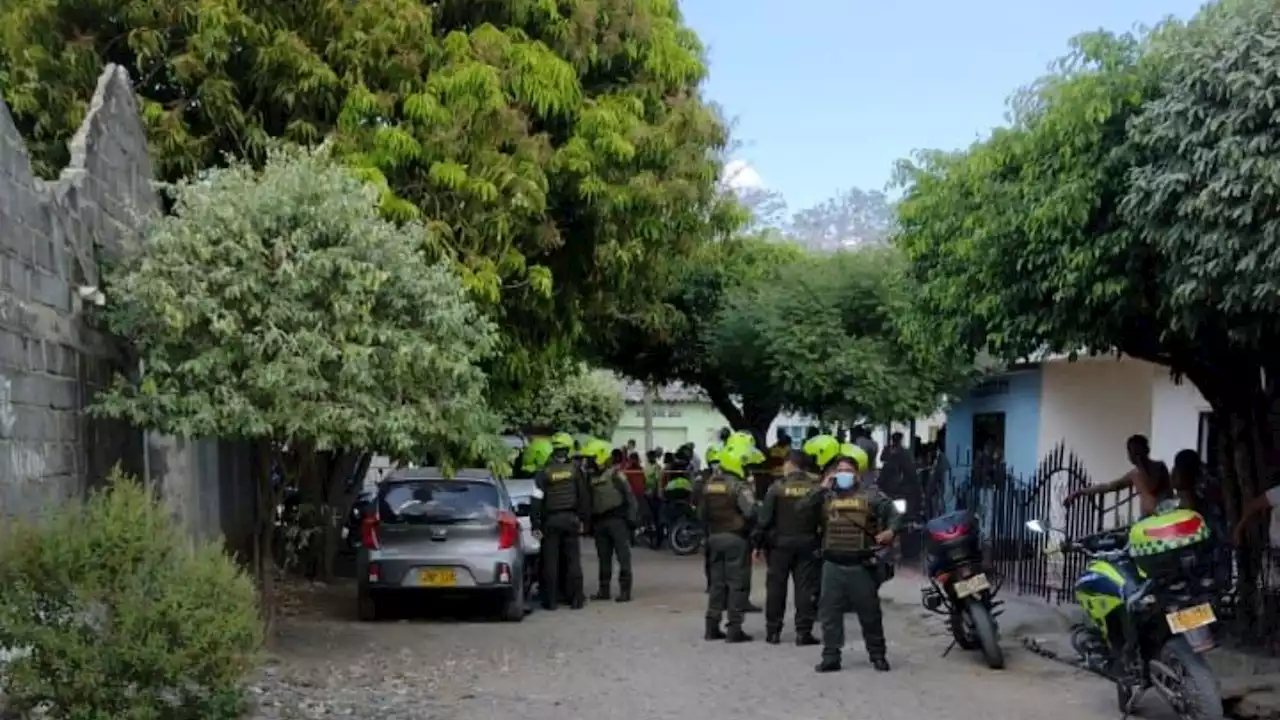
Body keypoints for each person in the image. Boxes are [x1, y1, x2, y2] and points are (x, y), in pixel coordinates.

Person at [797, 435, 901, 672]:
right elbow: (801, 511)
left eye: (847, 470)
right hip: (831, 565)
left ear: (857, 474)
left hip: (861, 565)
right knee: (829, 614)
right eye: (839, 470)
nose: (843, 474)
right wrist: (821, 488)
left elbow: (895, 513)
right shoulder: (826, 497)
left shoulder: (871, 496)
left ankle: (877, 655)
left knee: (870, 614)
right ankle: (831, 657)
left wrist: (890, 532)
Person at [753, 447, 822, 646]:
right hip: (807, 544)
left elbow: (764, 519)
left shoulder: (776, 488)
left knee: (776, 588)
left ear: (791, 464)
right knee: (804, 588)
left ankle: (773, 632)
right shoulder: (814, 488)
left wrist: (757, 544)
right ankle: (803, 633)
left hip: (779, 546)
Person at [700, 447, 757, 642]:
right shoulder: (738, 486)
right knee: (736, 584)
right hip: (735, 538)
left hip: (714, 537)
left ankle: (711, 626)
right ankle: (734, 628)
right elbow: (750, 512)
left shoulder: (709, 485)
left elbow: (701, 514)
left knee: (717, 584)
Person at [531, 432, 590, 611]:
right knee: (573, 561)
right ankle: (577, 599)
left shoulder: (543, 473)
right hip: (571, 520)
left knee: (550, 562)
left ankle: (550, 601)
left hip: (551, 522)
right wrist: (583, 520)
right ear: (567, 449)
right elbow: (583, 497)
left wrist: (536, 524)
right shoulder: (575, 471)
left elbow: (536, 500)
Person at [581, 439, 638, 602]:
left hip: (617, 520)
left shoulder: (615, 475)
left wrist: (632, 520)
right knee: (603, 558)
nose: (588, 462)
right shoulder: (590, 477)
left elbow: (630, 498)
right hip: (600, 522)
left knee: (623, 557)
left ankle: (625, 591)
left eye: (591, 458)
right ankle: (604, 590)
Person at [1065, 434, 1171, 517]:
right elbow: (1108, 486)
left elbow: (1151, 486)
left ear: (1146, 450)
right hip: (1147, 519)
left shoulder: (1159, 467)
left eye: (1136, 451)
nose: (1132, 455)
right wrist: (1080, 492)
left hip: (1165, 515)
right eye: (1131, 451)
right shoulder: (1133, 474)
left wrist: (1142, 464)